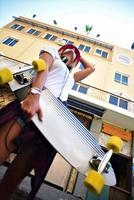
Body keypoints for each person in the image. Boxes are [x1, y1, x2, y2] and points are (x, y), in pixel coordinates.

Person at [0, 44, 95, 200]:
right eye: (67, 48)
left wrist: (77, 54)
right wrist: (35, 94)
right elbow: (42, 69)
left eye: (75, 55)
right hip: (31, 106)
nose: (72, 50)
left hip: (50, 124)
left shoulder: (71, 77)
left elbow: (91, 68)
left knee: (10, 184)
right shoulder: (52, 53)